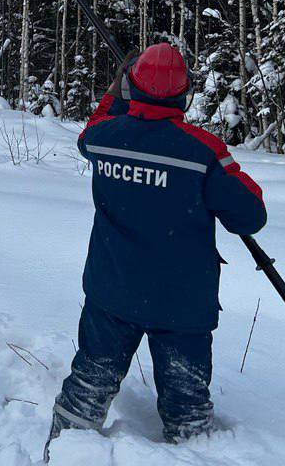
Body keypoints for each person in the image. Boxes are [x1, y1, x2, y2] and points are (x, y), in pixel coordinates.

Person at [44, 42, 266, 461]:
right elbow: (250, 215)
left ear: (132, 87)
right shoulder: (202, 151)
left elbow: (91, 130)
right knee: (189, 417)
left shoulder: (105, 138)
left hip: (113, 291)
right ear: (184, 93)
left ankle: (62, 452)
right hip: (182, 303)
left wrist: (115, 90)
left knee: (88, 388)